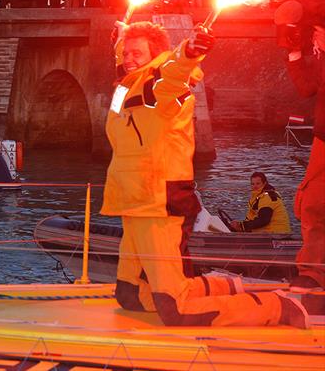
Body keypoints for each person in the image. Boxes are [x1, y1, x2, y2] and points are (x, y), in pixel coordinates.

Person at [103, 21, 308, 328]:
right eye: (126, 52)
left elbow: (172, 72)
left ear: (157, 56)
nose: (128, 57)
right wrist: (120, 41)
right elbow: (128, 64)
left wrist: (189, 52)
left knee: (176, 310)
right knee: (130, 293)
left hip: (158, 200)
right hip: (133, 199)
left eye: (137, 53)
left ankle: (276, 307)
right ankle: (223, 287)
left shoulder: (157, 86)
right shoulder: (127, 85)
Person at [276, 0, 325, 313]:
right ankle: (312, 275)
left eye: (320, 34)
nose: (316, 40)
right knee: (311, 204)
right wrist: (294, 52)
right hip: (324, 138)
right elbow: (308, 88)